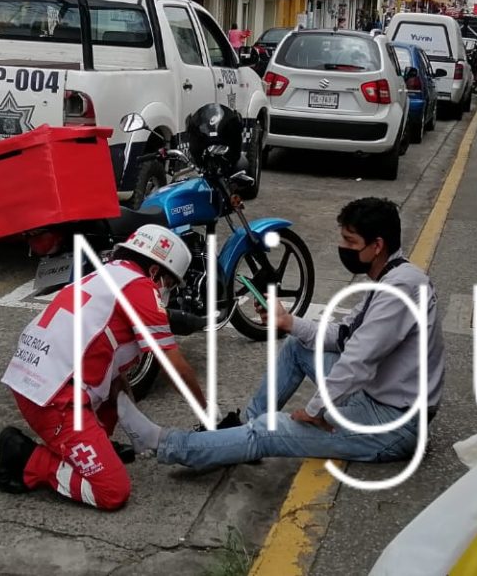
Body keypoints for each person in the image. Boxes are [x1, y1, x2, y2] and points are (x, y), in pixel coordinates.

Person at [113, 198, 444, 471]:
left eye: (350, 242)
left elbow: (358, 360)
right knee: (298, 348)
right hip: (376, 397)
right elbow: (345, 335)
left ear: (377, 246)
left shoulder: (400, 290)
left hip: (392, 424)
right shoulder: (395, 277)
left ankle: (168, 444)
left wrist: (315, 411)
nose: (342, 248)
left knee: (269, 430)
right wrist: (289, 322)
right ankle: (242, 436)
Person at [0, 225, 207, 511]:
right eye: (170, 283)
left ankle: (94, 446)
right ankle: (27, 459)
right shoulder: (141, 287)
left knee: (114, 389)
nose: (167, 291)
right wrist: (208, 415)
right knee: (112, 491)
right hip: (54, 398)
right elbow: (175, 366)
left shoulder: (108, 273)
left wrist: (132, 414)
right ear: (155, 272)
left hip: (39, 379)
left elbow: (109, 363)